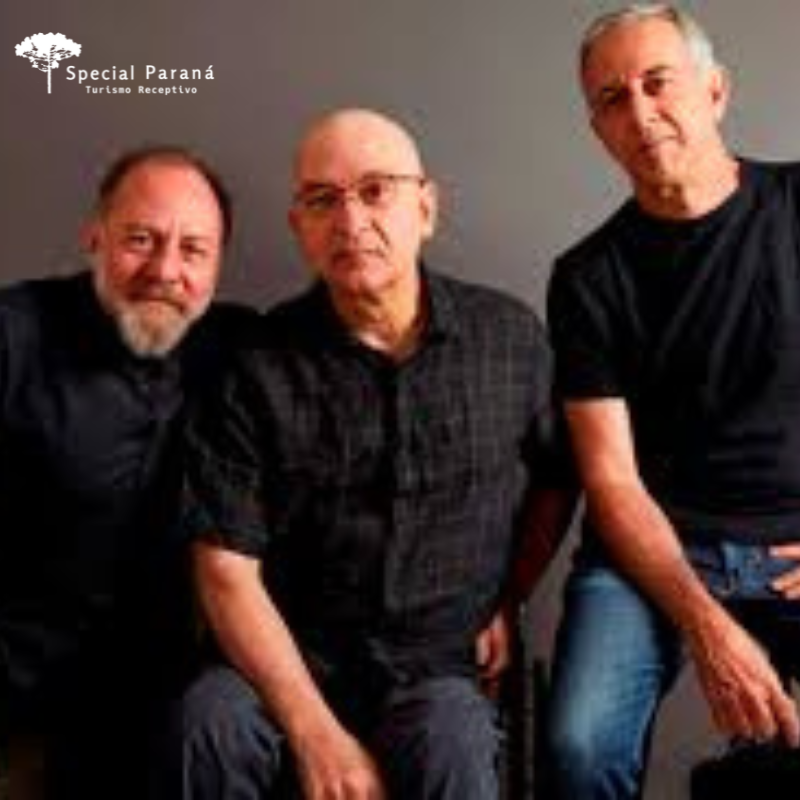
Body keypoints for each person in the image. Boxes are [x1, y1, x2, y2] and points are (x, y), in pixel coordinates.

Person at [177, 107, 575, 800]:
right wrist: (315, 734)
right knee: (206, 723)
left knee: (455, 743)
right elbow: (223, 568)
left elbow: (558, 477)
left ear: (426, 208)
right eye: (322, 199)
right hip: (287, 659)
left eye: (375, 190)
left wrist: (510, 597)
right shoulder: (254, 365)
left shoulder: (509, 340)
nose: (350, 219)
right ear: (299, 226)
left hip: (437, 667)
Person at [546, 4, 800, 798]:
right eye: (613, 99)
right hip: (652, 555)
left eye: (658, 83)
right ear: (599, 130)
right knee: (580, 746)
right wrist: (707, 625)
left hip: (795, 542)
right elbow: (611, 482)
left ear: (715, 90)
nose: (641, 112)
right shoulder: (587, 278)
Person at [0, 146, 254, 800]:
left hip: (155, 711)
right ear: (95, 237)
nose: (166, 270)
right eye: (141, 240)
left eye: (194, 250)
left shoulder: (239, 350)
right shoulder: (13, 335)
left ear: (218, 265)